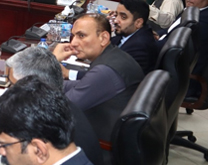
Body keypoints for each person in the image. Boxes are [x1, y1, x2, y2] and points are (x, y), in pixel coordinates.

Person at [53, 13, 145, 142]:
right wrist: (45, 83)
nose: (73, 43)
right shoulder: (114, 55)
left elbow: (58, 110)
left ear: (103, 38)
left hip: (102, 145)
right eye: (73, 36)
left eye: (81, 36)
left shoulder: (105, 72)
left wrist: (52, 62)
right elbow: (79, 85)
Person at [160, 0, 208, 98]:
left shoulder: (202, 21)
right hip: (175, 67)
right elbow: (170, 31)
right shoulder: (194, 12)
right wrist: (156, 34)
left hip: (183, 79)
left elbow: (177, 47)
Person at [110, 0, 158, 74]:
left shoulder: (140, 47)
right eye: (116, 15)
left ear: (138, 22)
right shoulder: (127, 33)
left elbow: (112, 70)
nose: (115, 21)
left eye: (123, 17)